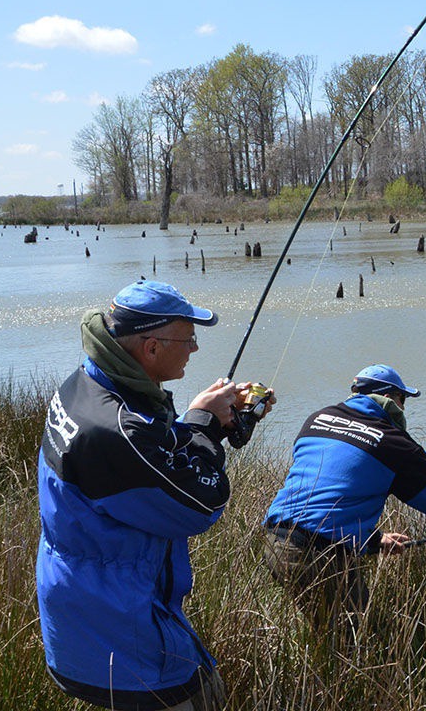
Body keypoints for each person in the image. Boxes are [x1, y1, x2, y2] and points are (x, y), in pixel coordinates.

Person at [37, 280, 274, 711]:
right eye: (189, 340)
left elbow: (145, 454)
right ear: (150, 349)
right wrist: (203, 425)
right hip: (121, 636)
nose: (195, 350)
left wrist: (199, 420)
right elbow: (203, 504)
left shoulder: (86, 386)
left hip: (85, 616)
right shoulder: (114, 431)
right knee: (205, 695)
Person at [262, 363, 426, 633]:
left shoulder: (317, 419)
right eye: (403, 400)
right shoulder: (393, 443)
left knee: (335, 636)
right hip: (316, 554)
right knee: (359, 641)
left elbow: (329, 494)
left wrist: (374, 540)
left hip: (276, 541)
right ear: (390, 399)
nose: (404, 408)